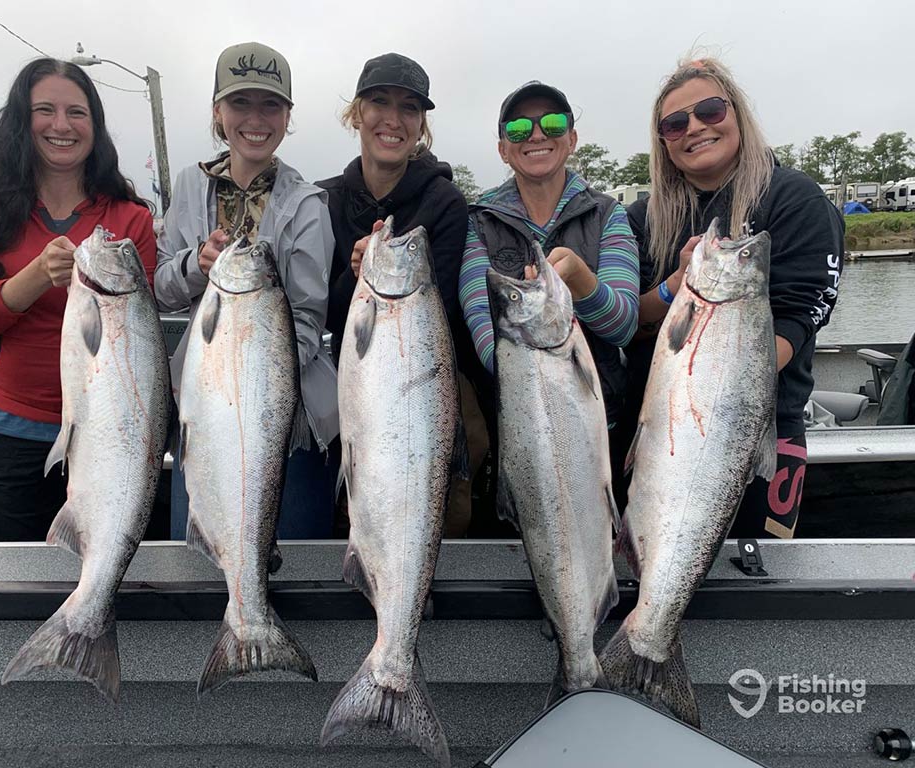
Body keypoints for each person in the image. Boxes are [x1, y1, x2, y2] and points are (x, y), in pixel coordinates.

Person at [0, 58, 157, 542]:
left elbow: (142, 337)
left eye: (77, 113)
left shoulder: (130, 216)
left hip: (112, 432)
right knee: (21, 586)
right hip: (13, 434)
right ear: (20, 118)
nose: (61, 125)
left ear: (95, 126)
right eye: (45, 110)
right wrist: (38, 274)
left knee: (112, 573)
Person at [620, 56, 844, 538]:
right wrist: (674, 286)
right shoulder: (643, 217)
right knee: (650, 562)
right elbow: (626, 320)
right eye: (675, 123)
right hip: (658, 428)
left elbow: (803, 313)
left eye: (710, 111)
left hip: (761, 428)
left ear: (737, 114)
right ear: (663, 140)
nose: (694, 128)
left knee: (756, 572)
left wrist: (721, 382)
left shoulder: (794, 197)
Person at [154, 41, 338, 539]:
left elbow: (306, 321)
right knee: (195, 559)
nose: (255, 118)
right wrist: (196, 264)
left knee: (292, 564)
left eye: (270, 105)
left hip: (285, 408)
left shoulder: (308, 204)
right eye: (240, 103)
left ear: (287, 116)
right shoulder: (189, 188)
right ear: (218, 111)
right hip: (199, 405)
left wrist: (251, 383)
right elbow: (161, 291)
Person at [317, 52, 486, 537]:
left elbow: (446, 311)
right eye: (379, 102)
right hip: (350, 382)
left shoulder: (445, 202)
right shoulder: (323, 199)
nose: (392, 119)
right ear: (356, 114)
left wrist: (386, 282)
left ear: (422, 125)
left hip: (425, 381)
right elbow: (323, 315)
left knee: (430, 517)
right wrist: (357, 279)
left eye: (409, 108)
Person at [460, 80, 640, 437]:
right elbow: (479, 315)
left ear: (571, 139)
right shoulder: (478, 221)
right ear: (503, 149)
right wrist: (533, 376)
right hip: (519, 425)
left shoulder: (607, 215)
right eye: (519, 128)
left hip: (602, 425)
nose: (537, 135)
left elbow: (623, 326)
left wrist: (581, 280)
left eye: (553, 124)